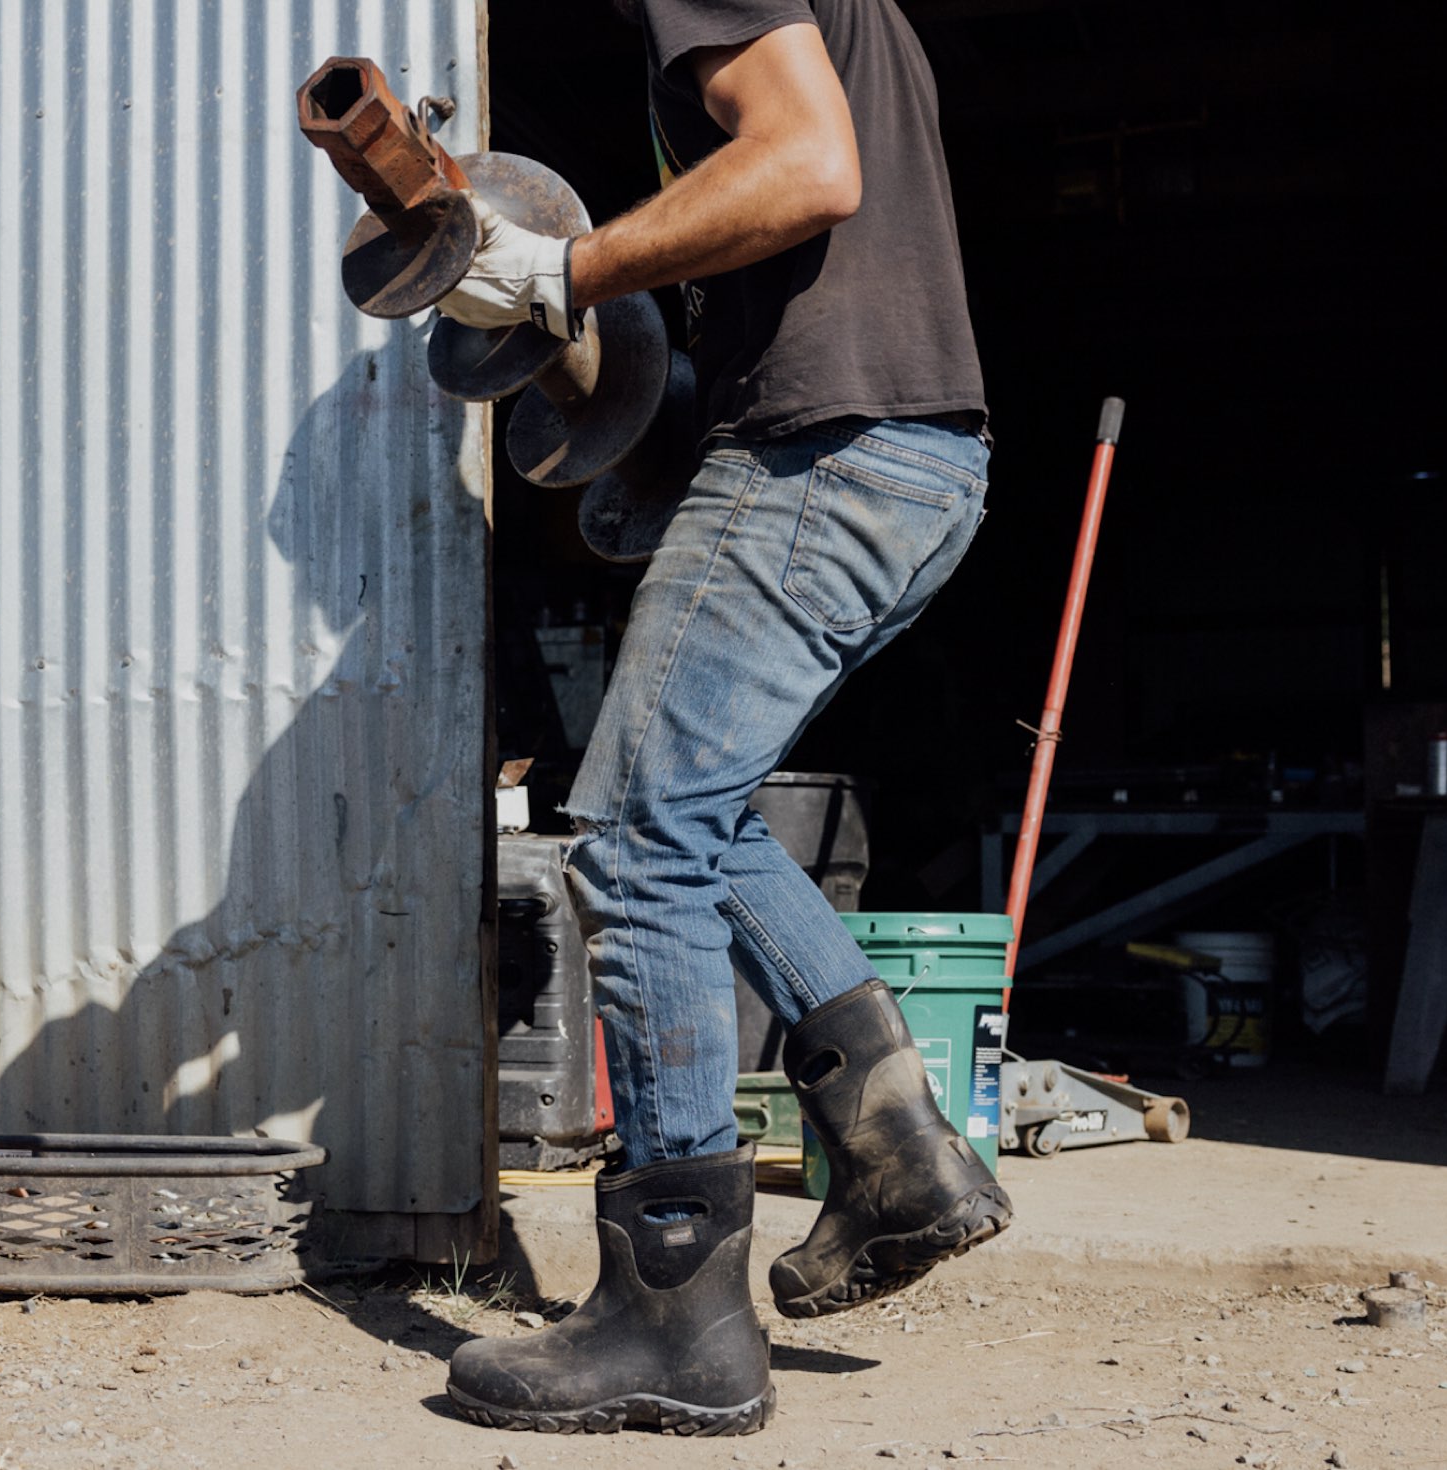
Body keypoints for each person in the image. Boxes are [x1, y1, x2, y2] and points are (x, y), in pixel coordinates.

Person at [430, 0, 1009, 1437]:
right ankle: (898, 1158)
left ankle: (674, 1312)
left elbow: (808, 166)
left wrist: (562, 267)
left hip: (824, 454)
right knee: (690, 808)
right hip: (912, 460)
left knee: (632, 838)